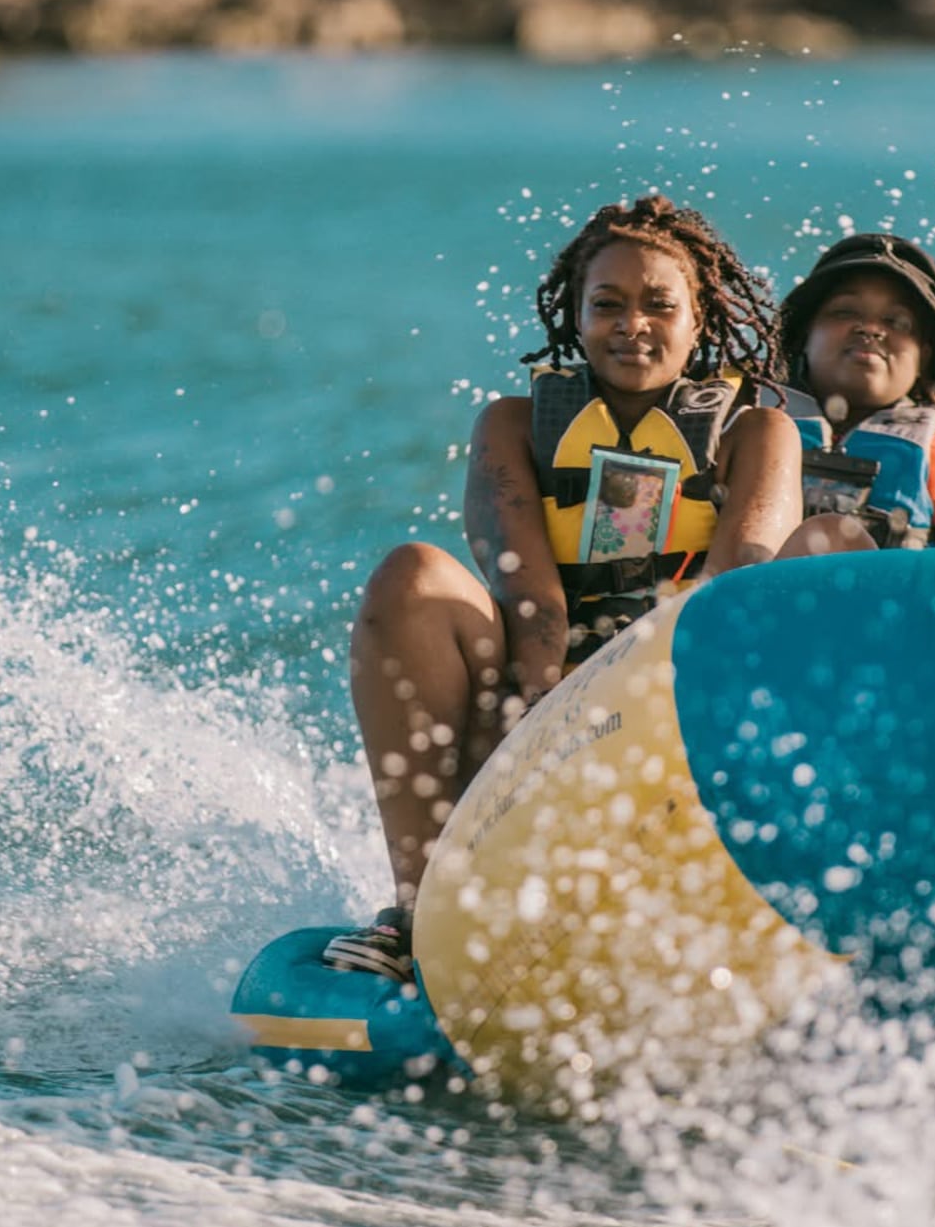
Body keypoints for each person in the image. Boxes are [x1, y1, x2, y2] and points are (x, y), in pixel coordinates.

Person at [324, 195, 804, 978]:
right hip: (533, 695)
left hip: (677, 702)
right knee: (411, 573)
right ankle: (420, 913)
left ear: (700, 319)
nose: (631, 324)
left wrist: (623, 704)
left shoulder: (759, 430)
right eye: (606, 304)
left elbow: (743, 571)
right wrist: (543, 725)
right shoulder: (513, 424)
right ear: (575, 317)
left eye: (659, 304)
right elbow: (530, 595)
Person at [771, 232, 935, 554]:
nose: (871, 329)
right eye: (845, 312)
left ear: (924, 359)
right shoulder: (736, 434)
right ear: (803, 336)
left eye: (897, 322)